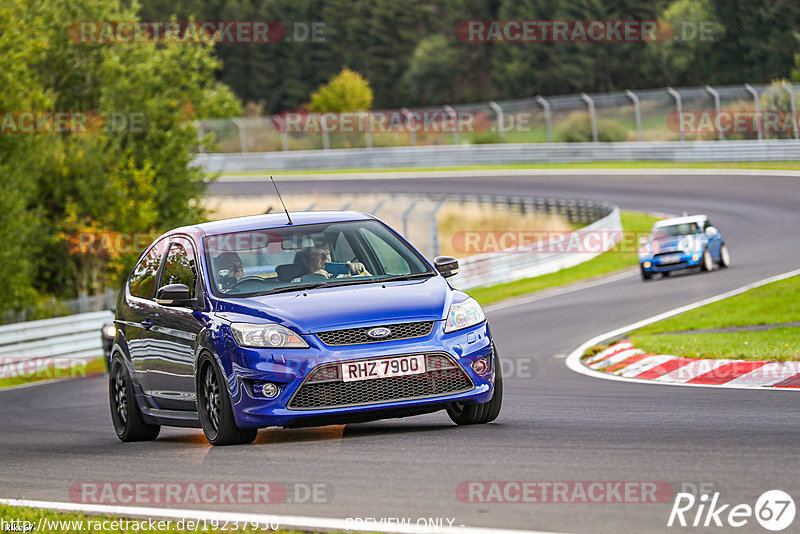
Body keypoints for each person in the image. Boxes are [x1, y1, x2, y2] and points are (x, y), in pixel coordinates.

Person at [293, 246, 369, 281]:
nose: (325, 257)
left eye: (328, 253)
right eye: (319, 254)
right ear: (307, 262)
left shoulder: (343, 276)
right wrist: (315, 277)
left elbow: (376, 286)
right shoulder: (298, 282)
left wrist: (363, 271)